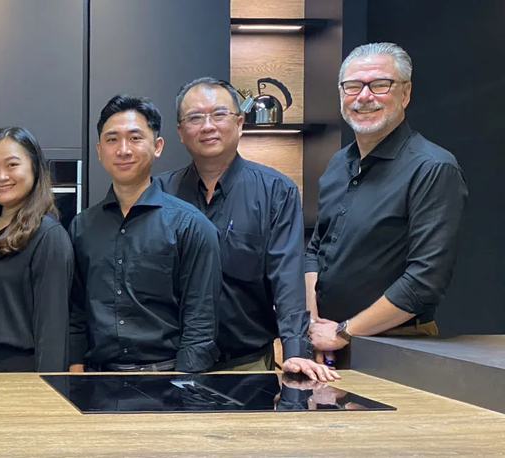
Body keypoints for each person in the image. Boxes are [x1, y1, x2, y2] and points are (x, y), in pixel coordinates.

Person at [157, 77, 338, 382]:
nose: (208, 126)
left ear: (240, 123)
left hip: (247, 364)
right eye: (195, 118)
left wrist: (295, 349)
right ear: (180, 132)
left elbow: (287, 274)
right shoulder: (160, 194)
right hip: (169, 362)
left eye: (219, 114)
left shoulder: (276, 191)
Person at [306, 43, 467, 367]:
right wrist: (313, 326)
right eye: (352, 86)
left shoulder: (432, 168)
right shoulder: (339, 164)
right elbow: (316, 250)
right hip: (326, 345)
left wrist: (344, 332)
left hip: (396, 349)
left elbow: (424, 282)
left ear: (405, 93)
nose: (364, 96)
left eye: (380, 84)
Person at [68, 94, 220, 373]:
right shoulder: (81, 227)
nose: (123, 150)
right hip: (96, 381)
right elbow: (76, 314)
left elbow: (200, 323)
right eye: (112, 140)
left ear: (157, 146)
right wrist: (76, 374)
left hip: (165, 377)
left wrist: (183, 389)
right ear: (100, 149)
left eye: (135, 138)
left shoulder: (191, 225)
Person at [0, 127, 74, 372]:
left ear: (34, 168)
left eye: (12, 165)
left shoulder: (48, 236)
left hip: (15, 373)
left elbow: (52, 333)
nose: (1, 176)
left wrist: (48, 394)